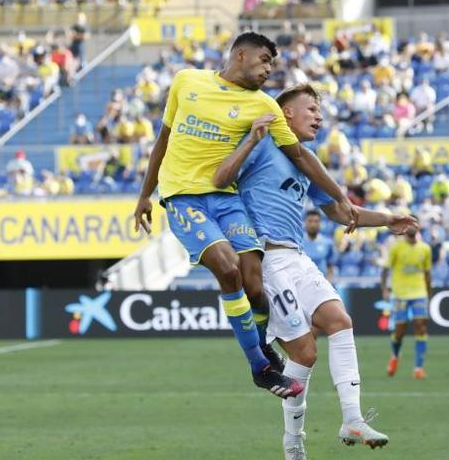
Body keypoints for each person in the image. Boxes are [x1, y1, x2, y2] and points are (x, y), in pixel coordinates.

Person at [132, 32, 357, 399]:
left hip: (226, 198)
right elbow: (164, 139)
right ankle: (260, 364)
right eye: (265, 60)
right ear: (241, 55)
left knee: (254, 281)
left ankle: (264, 343)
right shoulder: (186, 81)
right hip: (185, 198)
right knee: (228, 266)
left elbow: (300, 155)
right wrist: (145, 194)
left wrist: (340, 196)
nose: (269, 69)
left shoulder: (263, 105)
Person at [211, 84, 411, 457]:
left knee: (340, 320)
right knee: (304, 354)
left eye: (320, 110)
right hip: (265, 258)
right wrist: (250, 141)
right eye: (311, 108)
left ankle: (352, 417)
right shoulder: (264, 142)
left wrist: (386, 219)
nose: (319, 116)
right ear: (286, 113)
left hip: (296, 256)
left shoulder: (306, 162)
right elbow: (222, 176)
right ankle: (294, 446)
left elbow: (338, 211)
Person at [381, 228, 432, 381]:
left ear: (418, 228)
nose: (411, 227)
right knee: (399, 331)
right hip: (400, 294)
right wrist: (384, 288)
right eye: (409, 223)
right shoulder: (396, 246)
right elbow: (385, 269)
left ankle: (418, 368)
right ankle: (395, 355)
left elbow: (428, 273)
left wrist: (428, 294)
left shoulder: (425, 248)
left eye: (414, 223)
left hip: (419, 292)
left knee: (421, 326)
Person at [302, 209, 335, 284]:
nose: (313, 225)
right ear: (305, 222)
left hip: (322, 283)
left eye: (316, 221)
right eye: (310, 221)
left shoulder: (327, 243)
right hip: (303, 283)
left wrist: (327, 283)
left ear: (320, 223)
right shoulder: (298, 242)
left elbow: (331, 266)